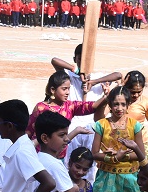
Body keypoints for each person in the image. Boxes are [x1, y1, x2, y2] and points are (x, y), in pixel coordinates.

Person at [51, 44, 121, 181]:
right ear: (75, 59)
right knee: (70, 160)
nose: (83, 64)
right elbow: (54, 61)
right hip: (72, 126)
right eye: (79, 59)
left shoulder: (97, 78)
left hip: (91, 128)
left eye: (86, 61)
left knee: (89, 161)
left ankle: (88, 186)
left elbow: (118, 75)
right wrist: (75, 69)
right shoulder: (69, 77)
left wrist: (94, 82)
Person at [91, 85, 146, 192]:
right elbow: (94, 153)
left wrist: (123, 156)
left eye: (123, 104)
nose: (119, 108)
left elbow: (141, 154)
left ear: (128, 105)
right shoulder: (101, 125)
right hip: (106, 178)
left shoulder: (135, 125)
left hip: (130, 178)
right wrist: (114, 158)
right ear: (109, 105)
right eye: (115, 104)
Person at [26, 70, 108, 159]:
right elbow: (28, 132)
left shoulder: (70, 106)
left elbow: (91, 106)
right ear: (53, 90)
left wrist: (106, 97)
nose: (68, 92)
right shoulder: (40, 107)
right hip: (39, 154)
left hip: (59, 156)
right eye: (64, 89)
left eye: (69, 88)